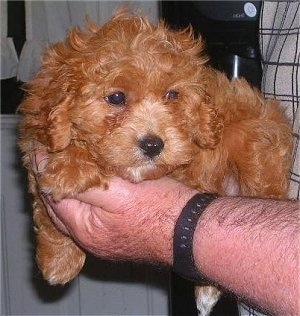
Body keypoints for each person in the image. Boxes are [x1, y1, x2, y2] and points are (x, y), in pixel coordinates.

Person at [32, 2, 299, 316]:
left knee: (258, 131)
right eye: (116, 98)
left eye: (172, 96)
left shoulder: (209, 116)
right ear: (65, 102)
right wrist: (59, 236)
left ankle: (227, 254)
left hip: (247, 202)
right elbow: (39, 153)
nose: (152, 133)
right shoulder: (60, 112)